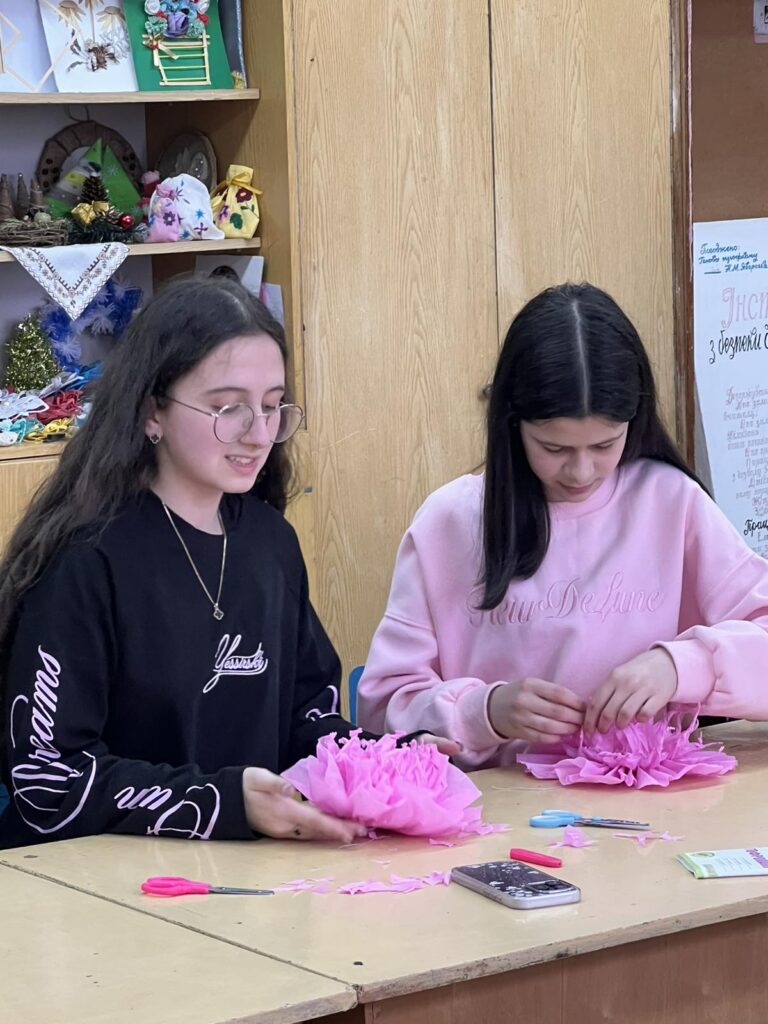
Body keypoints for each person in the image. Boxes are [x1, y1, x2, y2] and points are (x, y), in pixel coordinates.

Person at [0, 276, 456, 849]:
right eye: (228, 408)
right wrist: (222, 802)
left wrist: (382, 759)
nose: (259, 434)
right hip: (93, 884)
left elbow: (305, 719)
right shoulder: (84, 559)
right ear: (152, 411)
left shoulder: (270, 543)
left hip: (243, 873)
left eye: (271, 406)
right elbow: (48, 782)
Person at [357, 282, 768, 769]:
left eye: (605, 445)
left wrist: (681, 665)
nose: (581, 472)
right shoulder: (450, 522)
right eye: (554, 448)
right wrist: (484, 711)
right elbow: (380, 710)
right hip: (495, 804)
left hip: (648, 799)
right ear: (512, 424)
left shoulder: (670, 502)